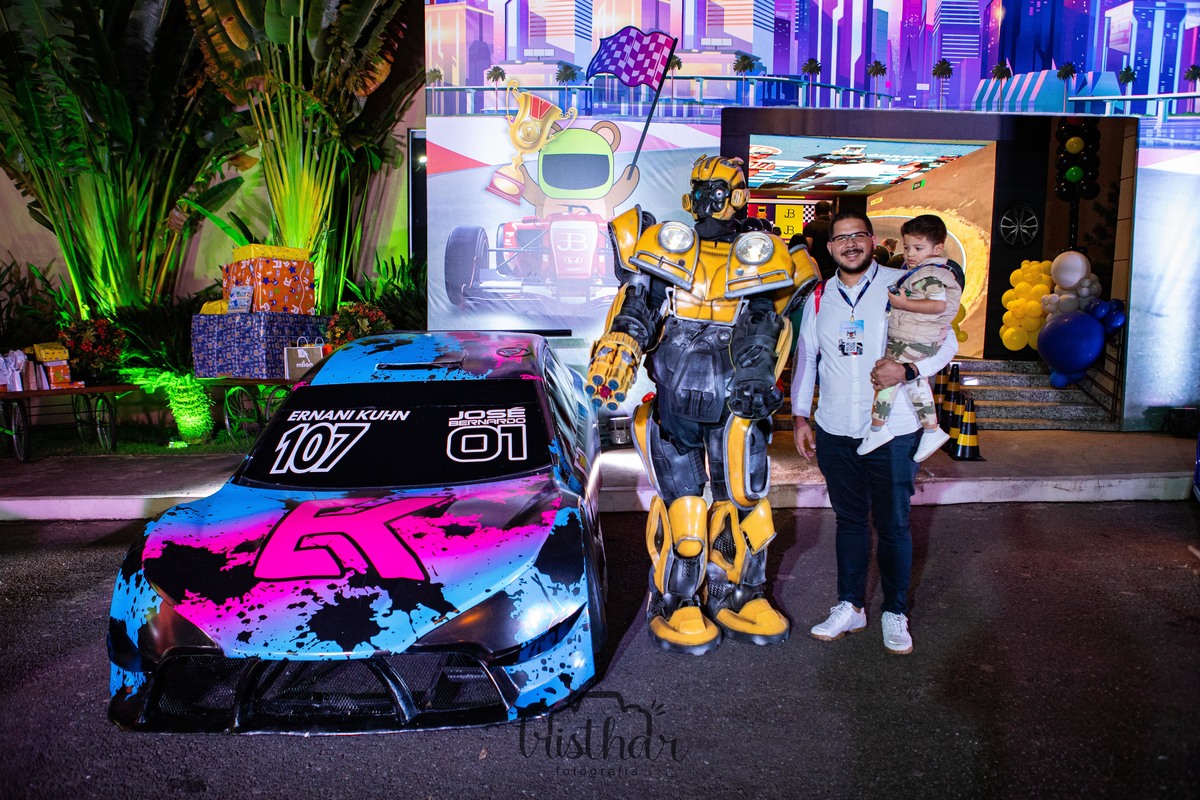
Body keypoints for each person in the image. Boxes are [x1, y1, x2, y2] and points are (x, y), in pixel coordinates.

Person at [587, 155, 819, 654]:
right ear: (690, 195)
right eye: (702, 190)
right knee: (686, 509)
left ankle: (744, 594)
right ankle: (677, 601)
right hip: (675, 403)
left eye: (720, 190)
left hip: (737, 402)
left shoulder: (760, 254)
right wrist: (622, 345)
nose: (710, 200)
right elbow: (640, 305)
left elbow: (762, 320)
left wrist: (757, 371)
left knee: (748, 503)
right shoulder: (664, 245)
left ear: (739, 197)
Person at [791, 210, 957, 656]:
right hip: (835, 427)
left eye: (858, 236)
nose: (850, 244)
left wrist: (909, 370)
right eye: (841, 238)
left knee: (893, 524)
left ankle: (895, 610)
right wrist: (801, 416)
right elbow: (807, 357)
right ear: (830, 248)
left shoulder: (904, 282)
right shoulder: (818, 296)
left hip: (893, 429)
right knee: (849, 521)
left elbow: (947, 341)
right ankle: (851, 606)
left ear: (871, 240)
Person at [858, 214, 963, 462]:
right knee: (913, 382)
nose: (910, 254)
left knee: (887, 377)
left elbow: (937, 305)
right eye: (906, 248)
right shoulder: (920, 271)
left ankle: (878, 428)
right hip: (914, 336)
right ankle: (930, 429)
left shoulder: (931, 273)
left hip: (915, 338)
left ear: (937, 248)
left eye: (918, 248)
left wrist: (903, 303)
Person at [803, 200, 837, 280]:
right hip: (834, 268)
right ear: (829, 213)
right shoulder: (835, 226)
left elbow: (807, 248)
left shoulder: (810, 227)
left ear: (815, 213)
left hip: (816, 268)